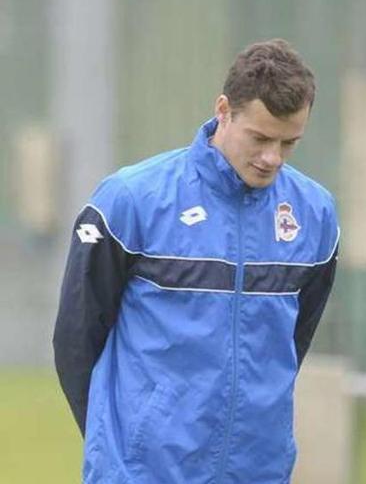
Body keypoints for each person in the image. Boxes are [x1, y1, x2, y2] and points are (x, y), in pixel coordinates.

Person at [53, 38, 339, 483]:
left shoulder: (314, 214)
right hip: (142, 472)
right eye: (260, 138)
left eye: (289, 143)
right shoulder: (130, 200)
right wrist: (121, 443)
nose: (272, 158)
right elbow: (76, 339)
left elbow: (292, 343)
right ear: (223, 110)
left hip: (258, 471)